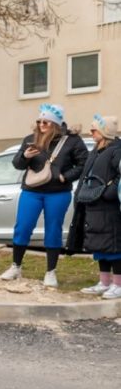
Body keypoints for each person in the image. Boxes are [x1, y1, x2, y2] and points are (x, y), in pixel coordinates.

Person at [2, 103, 89, 288]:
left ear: (55, 124)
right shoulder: (30, 139)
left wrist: (66, 177)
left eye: (46, 122)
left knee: (53, 230)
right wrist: (25, 156)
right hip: (31, 191)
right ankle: (16, 266)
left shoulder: (72, 141)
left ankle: (50, 272)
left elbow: (84, 164)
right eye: (39, 121)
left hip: (58, 193)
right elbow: (17, 164)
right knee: (23, 227)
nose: (41, 125)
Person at [73, 115, 121, 298]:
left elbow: (119, 175)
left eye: (94, 130)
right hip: (93, 204)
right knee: (100, 245)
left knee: (114, 246)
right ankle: (104, 282)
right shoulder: (96, 150)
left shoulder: (117, 150)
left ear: (105, 131)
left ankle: (118, 284)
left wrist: (108, 192)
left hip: (109, 207)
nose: (91, 132)